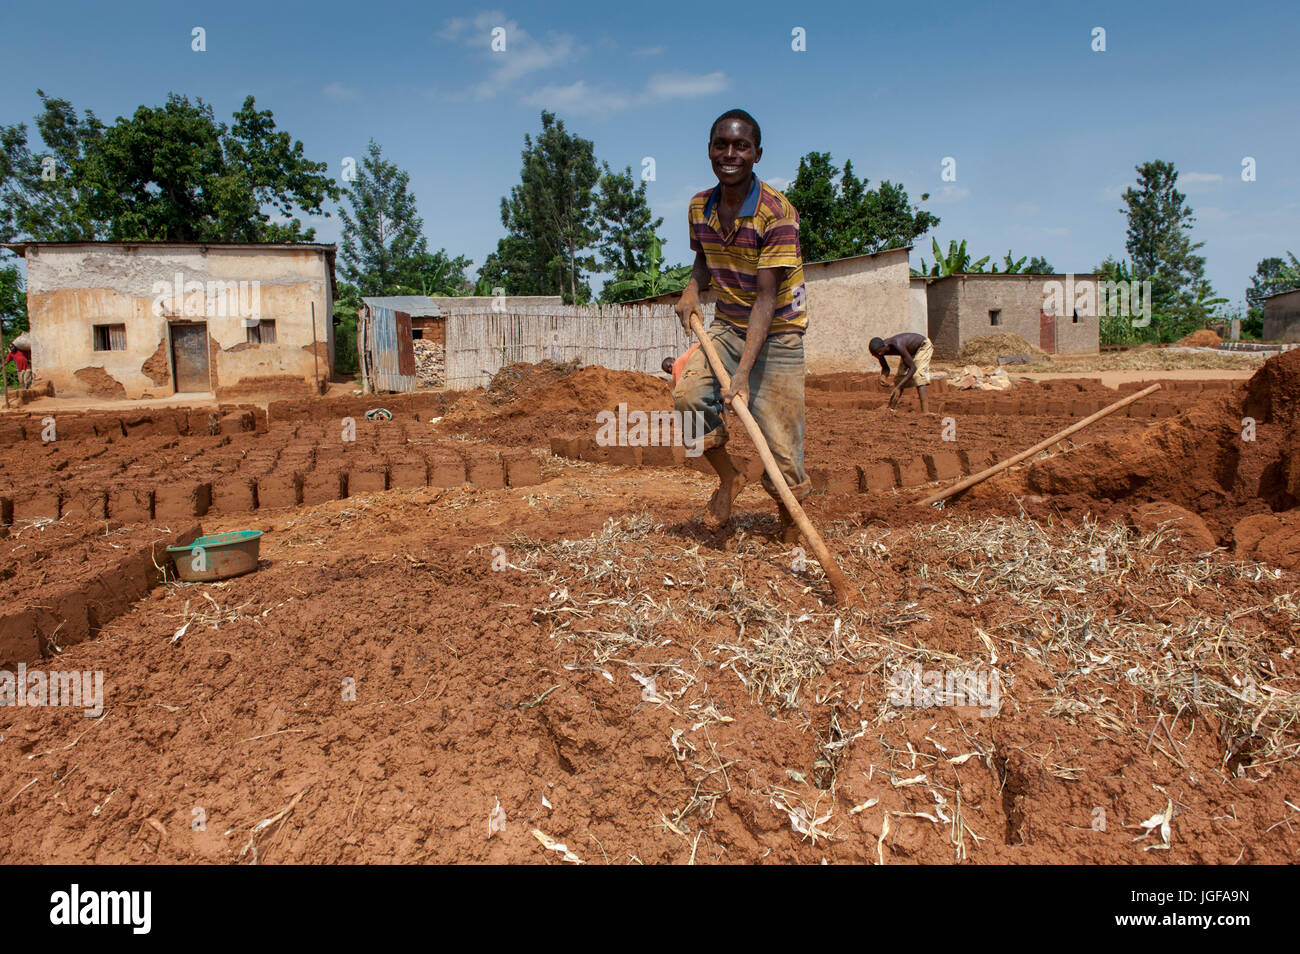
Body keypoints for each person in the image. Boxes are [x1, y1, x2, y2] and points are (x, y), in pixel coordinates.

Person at [673, 108, 810, 541]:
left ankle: (790, 517)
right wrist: (692, 290)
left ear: (757, 154)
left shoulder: (778, 213)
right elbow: (703, 259)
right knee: (689, 396)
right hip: (728, 325)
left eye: (741, 146)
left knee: (781, 445)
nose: (730, 154)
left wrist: (743, 376)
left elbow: (767, 299)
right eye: (722, 145)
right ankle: (729, 477)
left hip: (779, 330)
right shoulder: (699, 206)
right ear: (710, 150)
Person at [869, 332, 933, 413]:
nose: (879, 355)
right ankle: (890, 409)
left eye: (879, 353)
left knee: (918, 377)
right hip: (908, 351)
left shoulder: (897, 344)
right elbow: (885, 368)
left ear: (884, 346)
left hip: (922, 346)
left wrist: (898, 387)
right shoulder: (879, 351)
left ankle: (926, 412)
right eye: (875, 355)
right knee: (899, 378)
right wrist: (883, 377)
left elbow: (913, 368)